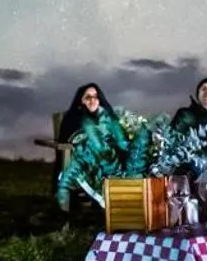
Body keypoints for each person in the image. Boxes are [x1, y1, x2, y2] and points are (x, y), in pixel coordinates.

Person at [54, 81, 151, 210]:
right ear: (81, 101)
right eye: (88, 97)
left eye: (95, 96)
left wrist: (127, 144)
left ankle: (127, 194)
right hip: (87, 158)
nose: (92, 100)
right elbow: (72, 138)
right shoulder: (75, 118)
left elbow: (121, 140)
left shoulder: (108, 118)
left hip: (112, 157)